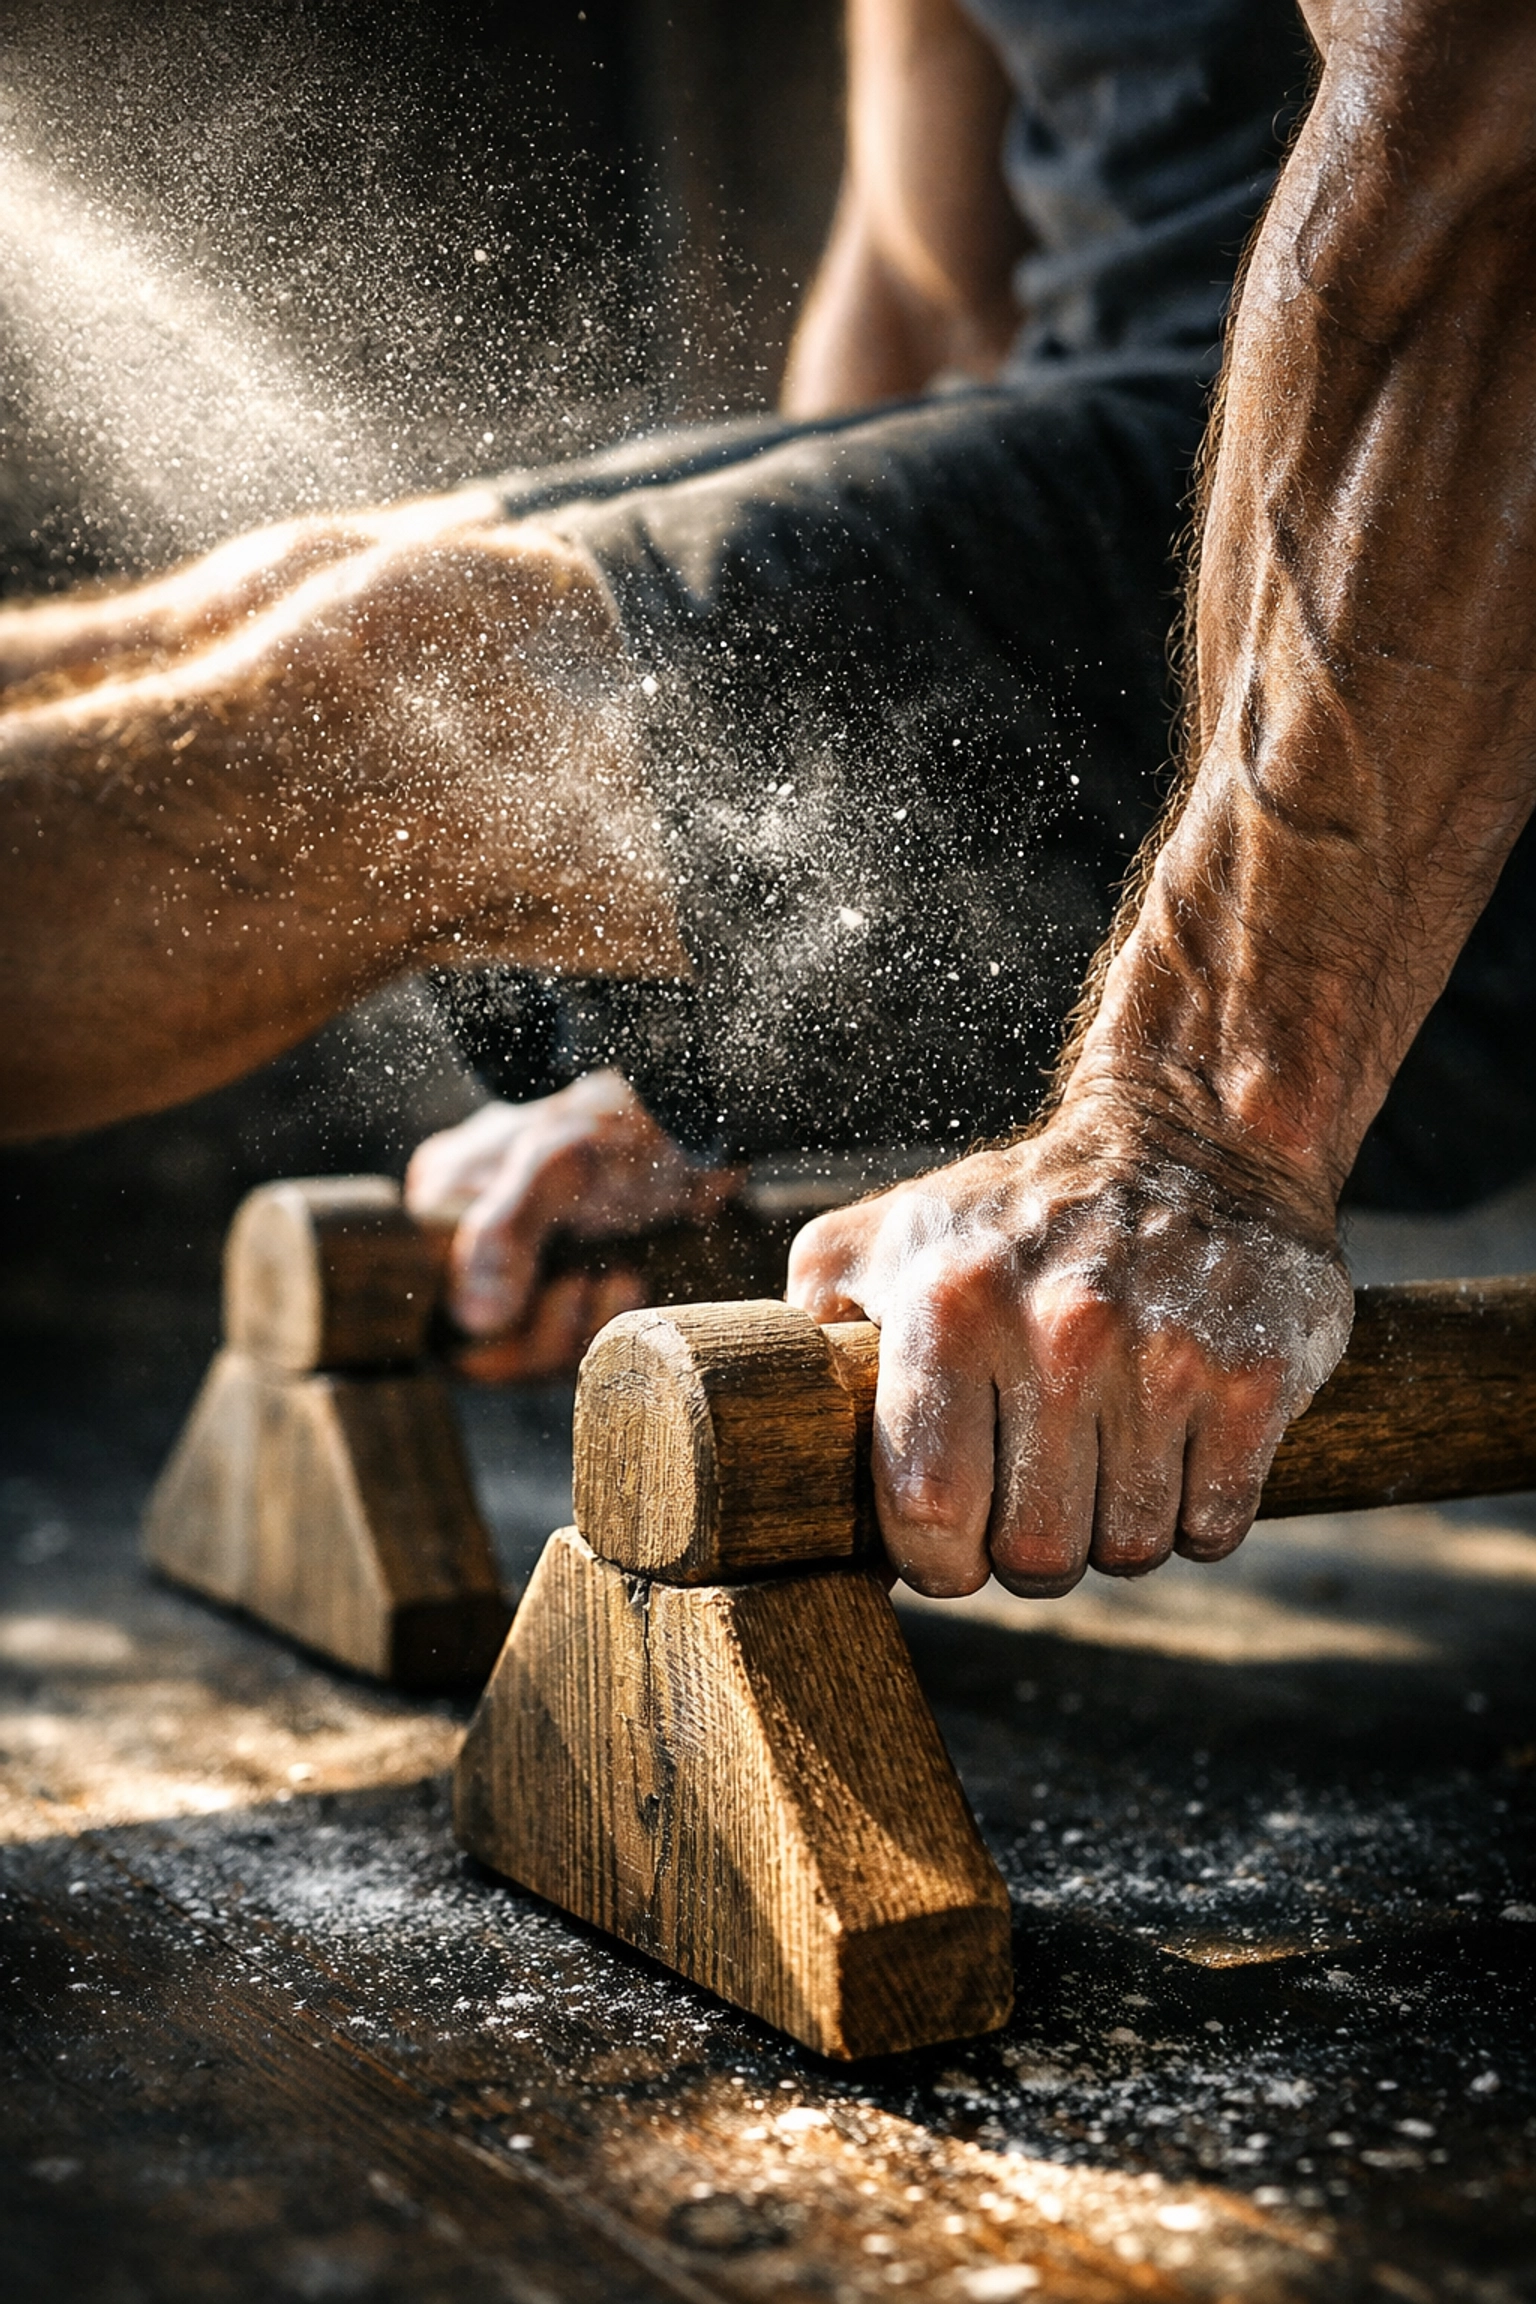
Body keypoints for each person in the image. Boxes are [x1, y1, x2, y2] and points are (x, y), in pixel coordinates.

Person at [3, 0, 1535, 1603]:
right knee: (304, 604)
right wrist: (706, 1039)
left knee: (407, 709)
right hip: (1137, 459)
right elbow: (923, 295)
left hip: (1456, 635)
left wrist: (1204, 1116)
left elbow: (1485, 148)